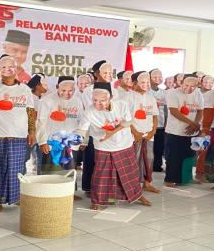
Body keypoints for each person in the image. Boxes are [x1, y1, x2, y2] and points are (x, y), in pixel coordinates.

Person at [76, 82, 152, 210]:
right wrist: (76, 139)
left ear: (111, 98)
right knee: (101, 175)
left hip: (124, 144)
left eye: (102, 100)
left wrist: (111, 132)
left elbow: (128, 121)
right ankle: (97, 200)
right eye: (94, 100)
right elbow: (82, 129)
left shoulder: (121, 105)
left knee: (130, 173)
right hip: (103, 147)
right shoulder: (89, 111)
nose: (97, 104)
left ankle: (137, 195)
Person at [0, 55, 35, 214]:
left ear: (16, 69)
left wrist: (31, 131)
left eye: (10, 66)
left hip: (19, 136)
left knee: (18, 169)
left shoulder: (24, 89)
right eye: (3, 67)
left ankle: (17, 197)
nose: (7, 70)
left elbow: (30, 112)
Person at [36, 76, 83, 199]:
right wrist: (42, 141)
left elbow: (81, 121)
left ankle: (68, 193)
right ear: (57, 87)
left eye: (70, 91)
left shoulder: (77, 101)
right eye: (63, 90)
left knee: (69, 168)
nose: (67, 93)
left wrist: (82, 139)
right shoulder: (47, 101)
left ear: (74, 89)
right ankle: (49, 193)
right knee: (52, 169)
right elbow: (41, 122)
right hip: (53, 142)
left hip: (70, 141)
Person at [80, 60, 115, 197]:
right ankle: (89, 188)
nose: (108, 75)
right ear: (96, 74)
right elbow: (93, 111)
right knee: (91, 160)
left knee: (106, 163)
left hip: (112, 132)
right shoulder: (89, 91)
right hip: (94, 132)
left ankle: (106, 189)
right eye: (105, 73)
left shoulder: (114, 89)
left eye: (110, 73)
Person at [164, 74, 202, 187]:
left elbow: (200, 110)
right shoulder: (173, 93)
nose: (189, 88)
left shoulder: (198, 93)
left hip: (192, 131)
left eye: (193, 86)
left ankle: (187, 178)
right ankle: (170, 180)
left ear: (197, 85)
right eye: (186, 85)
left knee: (189, 156)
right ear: (181, 83)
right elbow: (174, 111)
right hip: (175, 131)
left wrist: (196, 124)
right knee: (174, 157)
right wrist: (192, 123)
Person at [127, 71, 160, 193]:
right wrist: (135, 132)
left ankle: (147, 183)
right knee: (134, 159)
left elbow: (155, 116)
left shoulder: (151, 98)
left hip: (149, 134)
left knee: (149, 158)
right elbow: (125, 118)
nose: (146, 85)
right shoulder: (129, 97)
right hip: (134, 135)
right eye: (143, 82)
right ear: (135, 83)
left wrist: (153, 131)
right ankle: (132, 185)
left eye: (148, 82)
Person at [26, 73, 48, 174]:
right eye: (44, 84)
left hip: (42, 134)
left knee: (42, 160)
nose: (46, 86)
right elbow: (32, 116)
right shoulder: (29, 98)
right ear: (38, 85)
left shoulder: (44, 99)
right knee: (24, 159)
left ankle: (42, 182)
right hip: (30, 134)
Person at [149, 69, 167, 172]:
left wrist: (166, 122)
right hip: (148, 125)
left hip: (160, 125)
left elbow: (165, 109)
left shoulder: (163, 92)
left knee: (159, 147)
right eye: (154, 77)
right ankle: (147, 166)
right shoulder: (146, 91)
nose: (158, 79)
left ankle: (157, 166)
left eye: (160, 76)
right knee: (149, 148)